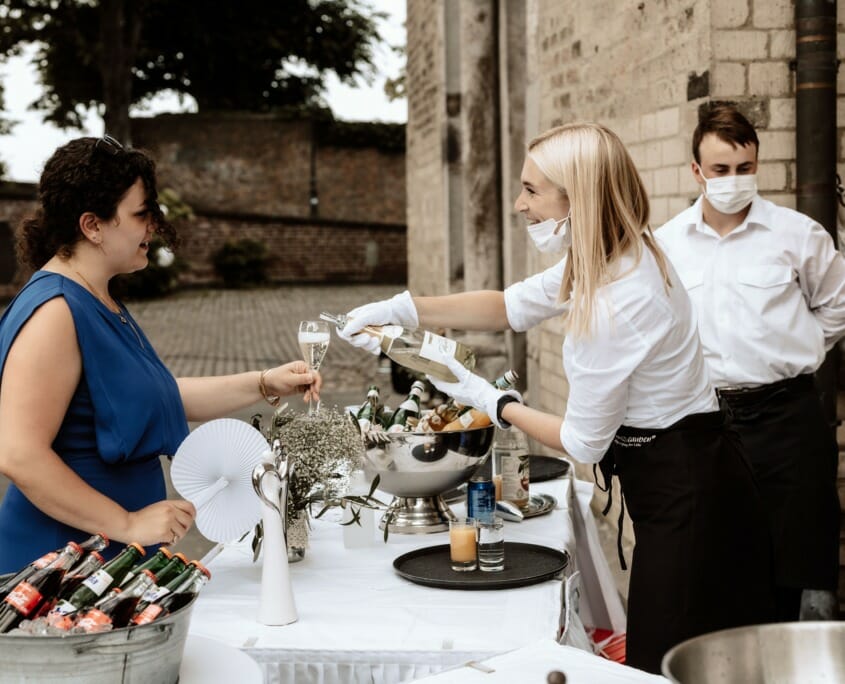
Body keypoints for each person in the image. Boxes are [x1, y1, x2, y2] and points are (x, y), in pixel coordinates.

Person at [337, 122, 774, 673]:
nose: (519, 204)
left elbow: (582, 443)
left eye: (531, 190)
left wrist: (484, 396)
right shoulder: (610, 253)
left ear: (579, 198)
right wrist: (402, 308)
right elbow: (506, 305)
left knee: (663, 663)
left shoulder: (618, 301)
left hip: (690, 490)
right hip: (688, 473)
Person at [0, 136, 321, 573]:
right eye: (140, 214)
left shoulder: (97, 297)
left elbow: (154, 395)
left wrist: (264, 382)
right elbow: (18, 453)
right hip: (63, 562)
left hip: (111, 555)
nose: (152, 225)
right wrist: (126, 522)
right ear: (92, 225)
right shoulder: (55, 310)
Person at [656, 104, 845, 621]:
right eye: (720, 170)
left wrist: (796, 349)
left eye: (744, 168)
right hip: (707, 423)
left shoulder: (797, 235)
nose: (734, 181)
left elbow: (838, 304)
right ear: (696, 171)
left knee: (798, 567)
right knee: (718, 559)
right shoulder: (667, 245)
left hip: (788, 419)